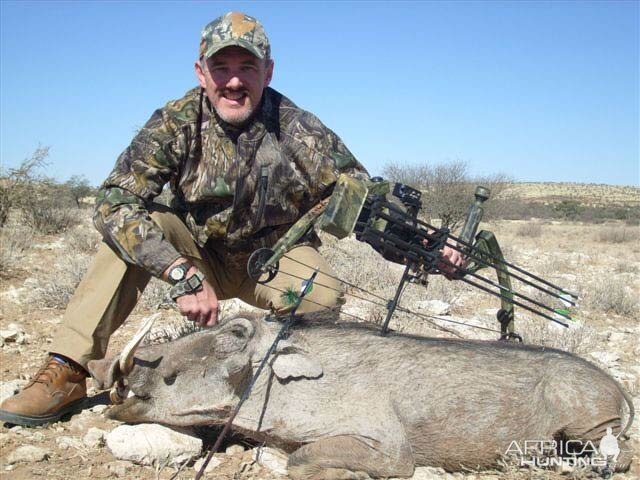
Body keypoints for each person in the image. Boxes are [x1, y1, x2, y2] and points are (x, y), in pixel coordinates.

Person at [0, 11, 465, 427]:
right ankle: (66, 371)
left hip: (272, 257)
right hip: (194, 252)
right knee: (128, 235)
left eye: (247, 68)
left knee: (321, 296)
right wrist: (178, 271)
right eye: (221, 68)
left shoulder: (300, 128)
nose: (234, 82)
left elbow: (361, 202)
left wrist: (424, 249)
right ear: (201, 73)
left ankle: (280, 386)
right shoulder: (175, 121)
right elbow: (113, 201)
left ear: (268, 71)